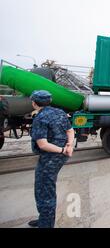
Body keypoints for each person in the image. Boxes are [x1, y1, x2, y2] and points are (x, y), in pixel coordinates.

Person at [27, 90, 74, 228]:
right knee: (45, 189)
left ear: (34, 103)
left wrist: (63, 150)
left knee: (44, 192)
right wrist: (69, 146)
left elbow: (43, 144)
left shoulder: (40, 118)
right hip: (60, 156)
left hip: (50, 158)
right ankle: (44, 219)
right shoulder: (59, 112)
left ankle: (46, 224)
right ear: (50, 101)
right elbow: (70, 130)